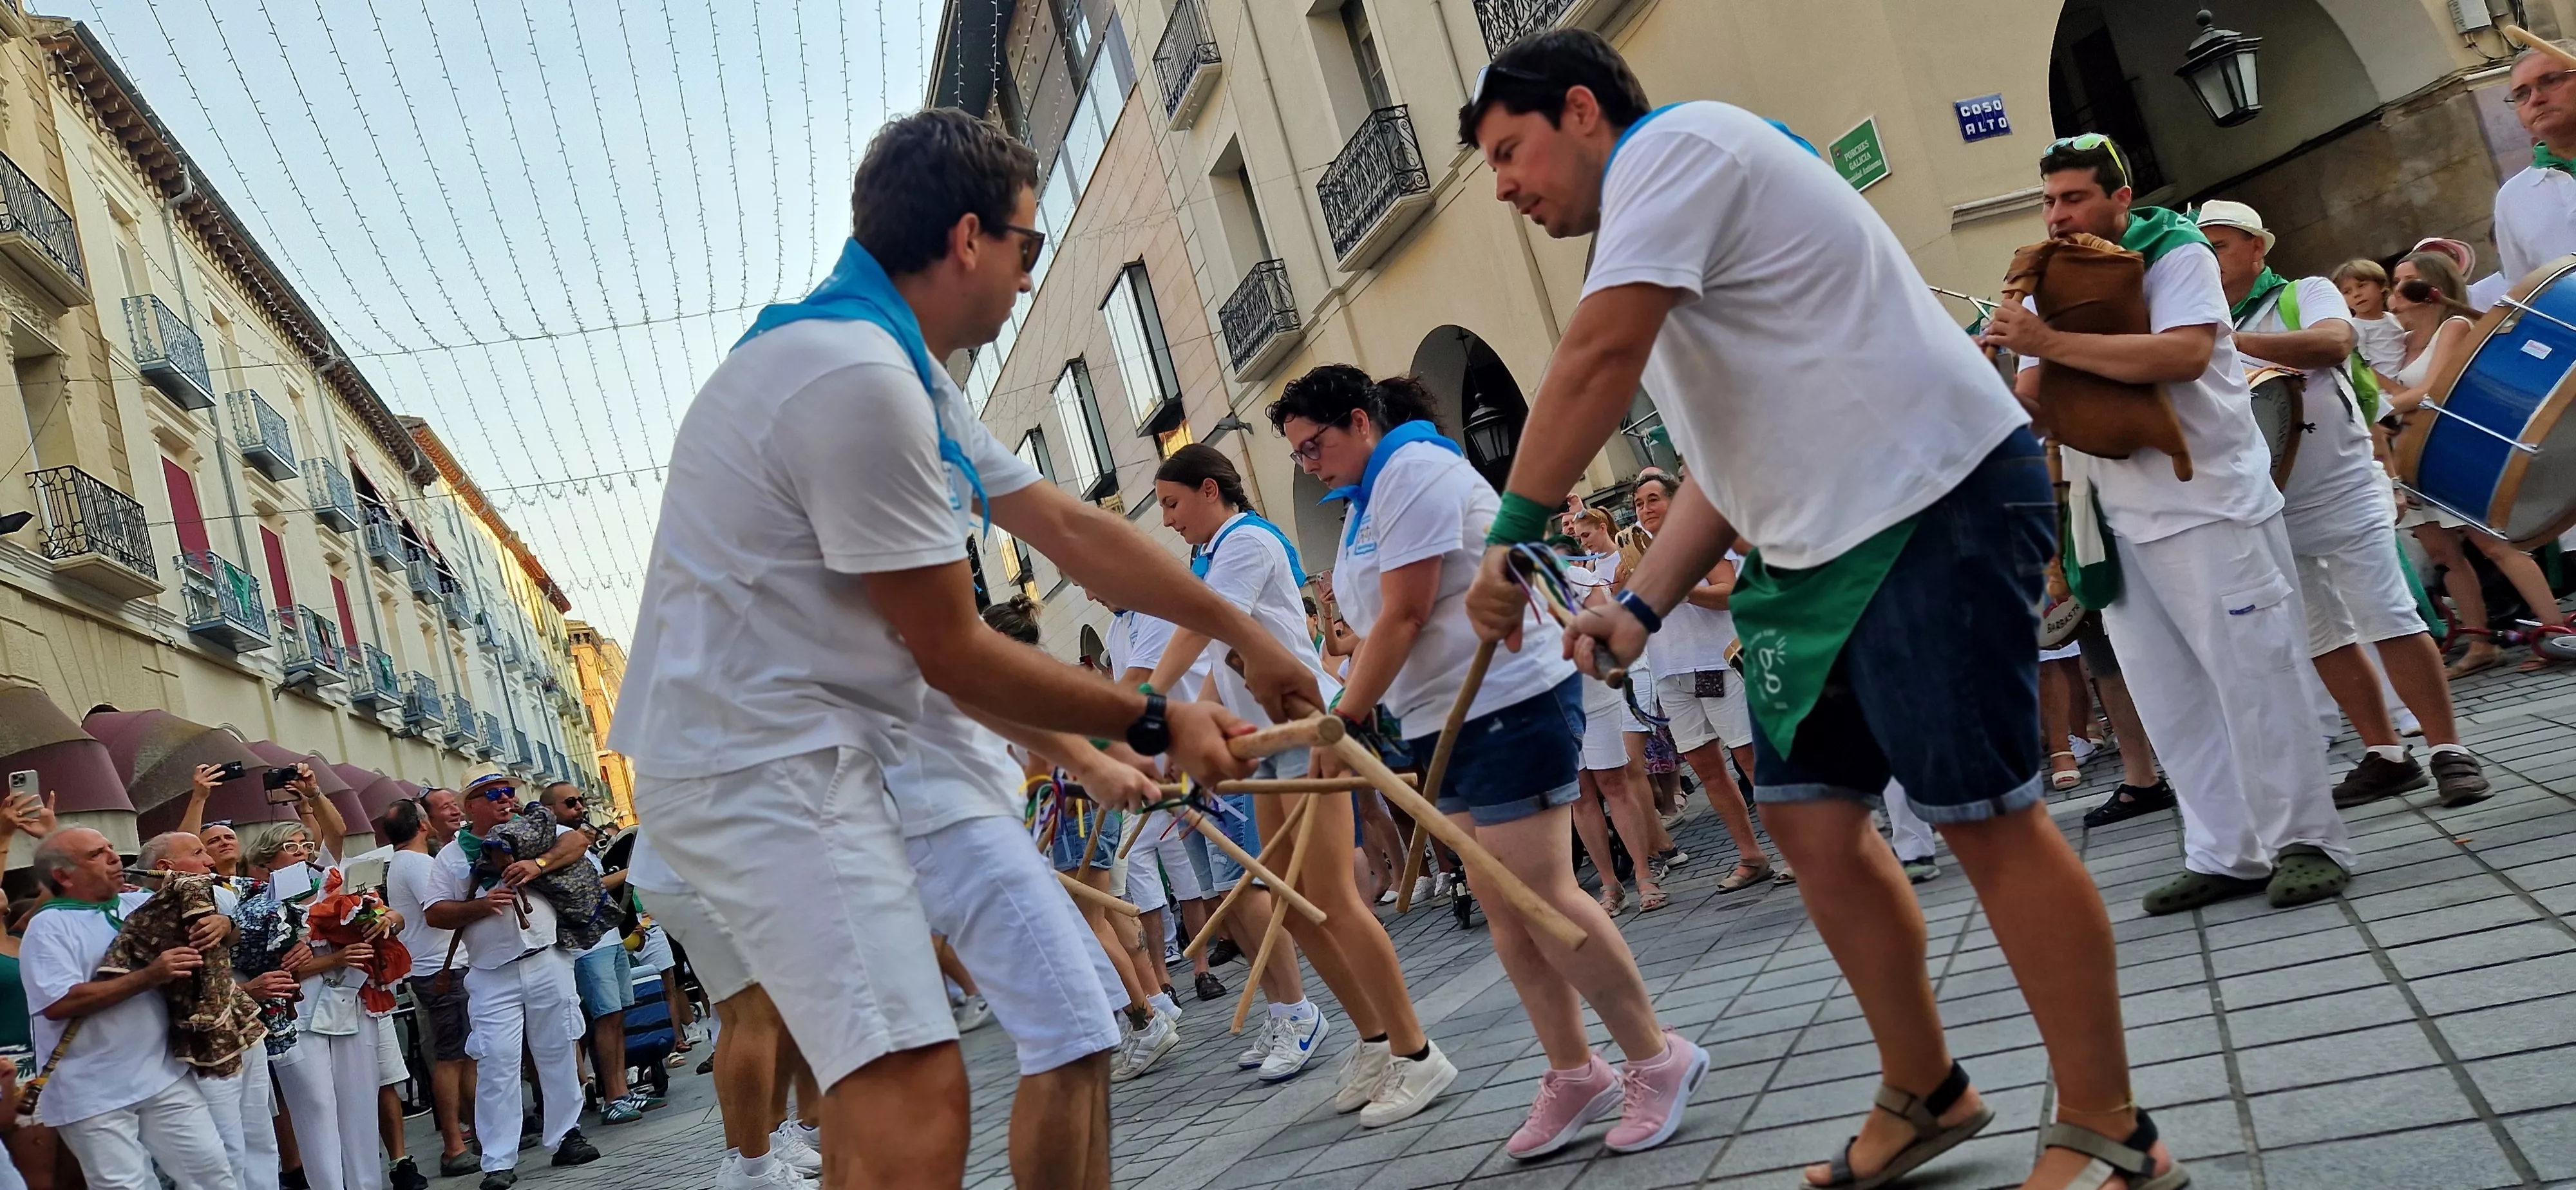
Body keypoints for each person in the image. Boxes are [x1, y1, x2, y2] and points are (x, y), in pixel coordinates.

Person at [1457, 32, 2179, 1189]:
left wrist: (1514, 530)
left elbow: (1593, 357)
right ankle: (1926, 1088)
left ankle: (2110, 1128)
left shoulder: (1675, 151)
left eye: (1509, 152)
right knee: (1806, 817)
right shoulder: (1675, 236)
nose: (1503, 187)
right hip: (1820, 550)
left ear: (1581, 110)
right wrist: (1637, 604)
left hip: (1926, 495)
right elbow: (1723, 464)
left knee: (1986, 816)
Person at [610, 108, 1316, 1190]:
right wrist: (1151, 718)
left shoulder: (898, 368)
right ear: (970, 237)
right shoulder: (855, 378)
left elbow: (1072, 530)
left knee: (1028, 1039)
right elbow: (949, 648)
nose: (1031, 278)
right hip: (763, 760)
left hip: (835, 747)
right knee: (908, 1084)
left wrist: (1241, 632)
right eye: (1030, 246)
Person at [1275, 364, 1704, 1155]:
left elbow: (1404, 615)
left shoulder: (1413, 470)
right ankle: (1574, 1072)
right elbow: (1380, 624)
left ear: (1359, 422)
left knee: (1542, 897)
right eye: (1298, 454)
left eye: (1314, 445)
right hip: (1444, 715)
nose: (1309, 463)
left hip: (1508, 701)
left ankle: (1656, 1055)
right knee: (1506, 913)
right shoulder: (1365, 499)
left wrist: (1345, 718)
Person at [1989, 138, 2359, 918]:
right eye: (2050, 201)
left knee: (2256, 677)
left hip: (2209, 503)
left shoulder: (2177, 251)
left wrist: (2046, 343)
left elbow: (2184, 355)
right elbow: (2028, 398)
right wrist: (1998, 362)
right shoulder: (2049, 276)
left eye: (2075, 200)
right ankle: (2225, 851)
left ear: (2120, 200)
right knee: (2168, 697)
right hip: (2112, 513)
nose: (2057, 217)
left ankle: (2308, 842)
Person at [2199, 202, 2491, 809]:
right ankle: (2384, 753)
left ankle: (2447, 749)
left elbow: (2334, 344)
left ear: (2257, 248)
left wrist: (2230, 341)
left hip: (2341, 481)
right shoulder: (2191, 319)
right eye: (2201, 249)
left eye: (2220, 245)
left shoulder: (2302, 292)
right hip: (2266, 498)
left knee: (2386, 612)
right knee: (2320, 630)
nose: (2208, 259)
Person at [893, 601, 1161, 1188]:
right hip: (947, 817)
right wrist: (1113, 743)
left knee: (1088, 1040)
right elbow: (964, 666)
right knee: (1070, 1046)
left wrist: (1087, 758)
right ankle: (1150, 1010)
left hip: (972, 813)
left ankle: (1149, 1010)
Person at [1144, 444, 1372, 1087]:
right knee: (1289, 901)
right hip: (1265, 740)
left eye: (1171, 503)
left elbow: (1203, 624)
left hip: (1302, 728)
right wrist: (1200, 731)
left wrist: (1150, 703)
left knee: (1323, 899)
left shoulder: (1245, 541)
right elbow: (1221, 660)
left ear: (1210, 490)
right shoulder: (1217, 553)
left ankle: (1399, 1042)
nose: (1167, 520)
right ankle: (1360, 1032)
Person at [2384, 251, 2575, 675]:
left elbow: (2433, 391)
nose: (2395, 291)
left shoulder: (2452, 326)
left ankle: (2555, 629)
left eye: (2406, 280)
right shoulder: (2396, 341)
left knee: (2492, 543)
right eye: (2395, 281)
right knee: (2442, 552)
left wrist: (2376, 406)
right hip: (2416, 454)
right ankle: (2478, 642)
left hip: (2449, 448)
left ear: (2431, 284)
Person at [22, 828, 238, 1190]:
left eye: (111, 848)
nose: (113, 858)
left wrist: (224, 924)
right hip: (92, 1093)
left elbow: (225, 929)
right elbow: (59, 1004)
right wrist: (149, 976)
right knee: (127, 1186)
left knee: (213, 1176)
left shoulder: (137, 904)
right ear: (63, 876)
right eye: (96, 854)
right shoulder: (48, 927)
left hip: (163, 1075)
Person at [422, 774, 603, 1190]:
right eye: (494, 795)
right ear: (471, 807)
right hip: (491, 971)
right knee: (498, 1061)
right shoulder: (451, 857)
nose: (506, 800)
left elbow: (578, 842)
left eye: (509, 793)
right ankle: (499, 1159)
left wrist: (537, 864)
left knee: (558, 1047)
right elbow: (434, 913)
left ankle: (566, 1136)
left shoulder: (534, 831)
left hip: (545, 957)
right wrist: (481, 906)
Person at [625, 830, 822, 1190]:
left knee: (738, 1016)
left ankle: (749, 1159)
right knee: (754, 1015)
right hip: (712, 869)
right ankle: (757, 1168)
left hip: (687, 871)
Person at [138, 831, 297, 1190]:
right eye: (198, 853)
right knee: (225, 1148)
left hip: (245, 1030)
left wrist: (226, 924)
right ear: (166, 869)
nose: (210, 860)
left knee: (258, 1138)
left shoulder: (213, 897)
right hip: (204, 1044)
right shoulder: (146, 919)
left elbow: (237, 928)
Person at [1629, 474, 1763, 887]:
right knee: (1708, 771)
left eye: (1654, 500)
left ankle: (1801, 847)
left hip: (1717, 663)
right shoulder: (1635, 554)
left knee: (1751, 760)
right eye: (1638, 504)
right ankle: (1751, 856)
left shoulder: (1701, 539)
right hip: (1670, 670)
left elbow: (1729, 592)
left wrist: (1682, 587)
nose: (1645, 509)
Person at [1097, 594, 1227, 1005]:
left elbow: (1137, 690)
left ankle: (1202, 968)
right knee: (1146, 893)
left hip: (1178, 771)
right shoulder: (1116, 629)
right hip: (1142, 779)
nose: (1089, 596)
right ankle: (1161, 977)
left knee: (1191, 881)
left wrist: (1090, 745)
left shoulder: (1153, 613)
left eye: (1091, 585)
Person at [1564, 507, 1669, 912]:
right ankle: (1609, 885)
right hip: (1556, 702)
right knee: (1579, 794)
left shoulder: (1575, 577)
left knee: (1614, 782)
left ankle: (1643, 876)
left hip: (1593, 691)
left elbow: (1603, 621)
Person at [536, 783, 645, 1125]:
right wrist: (635, 870)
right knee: (605, 1016)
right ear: (551, 809)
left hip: (608, 938)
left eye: (581, 800)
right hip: (588, 946)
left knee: (617, 1015)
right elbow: (590, 888)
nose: (580, 806)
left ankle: (622, 1090)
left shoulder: (579, 842)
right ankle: (612, 1096)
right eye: (571, 802)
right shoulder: (557, 844)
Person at [379, 800, 477, 1178]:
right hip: (441, 967)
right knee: (452, 1058)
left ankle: (476, 1136)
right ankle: (454, 1145)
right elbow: (439, 911)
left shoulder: (401, 863)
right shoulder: (418, 864)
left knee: (463, 1055)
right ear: (422, 824)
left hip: (439, 966)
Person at [2492, 46, 2576, 287]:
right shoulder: (2512, 198)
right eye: (2521, 95)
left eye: (2550, 81)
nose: (2536, 98)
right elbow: (2525, 296)